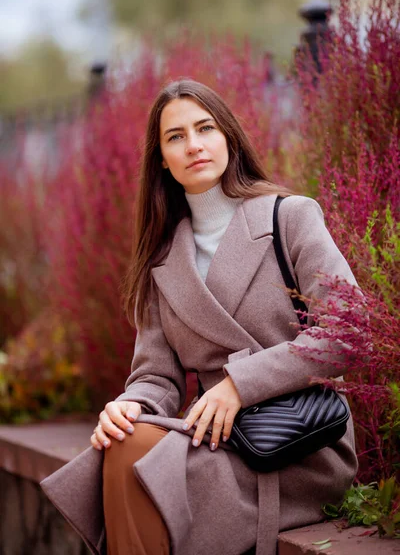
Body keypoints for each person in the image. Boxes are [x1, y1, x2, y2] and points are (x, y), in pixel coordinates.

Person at [41, 79, 359, 555]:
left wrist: (240, 383)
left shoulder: (290, 216)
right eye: (175, 137)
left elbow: (349, 331)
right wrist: (132, 406)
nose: (193, 145)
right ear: (162, 161)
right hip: (217, 441)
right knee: (123, 441)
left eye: (204, 128)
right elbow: (156, 377)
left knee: (139, 470)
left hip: (298, 442)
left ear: (227, 137)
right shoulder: (161, 261)